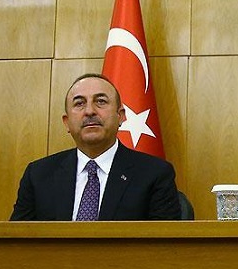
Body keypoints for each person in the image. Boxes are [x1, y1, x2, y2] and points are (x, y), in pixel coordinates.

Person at [10, 73, 181, 221]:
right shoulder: (38, 175)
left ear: (121, 116)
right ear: (66, 122)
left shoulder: (154, 174)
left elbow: (163, 244)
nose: (90, 111)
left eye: (100, 101)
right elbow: (17, 241)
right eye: (79, 103)